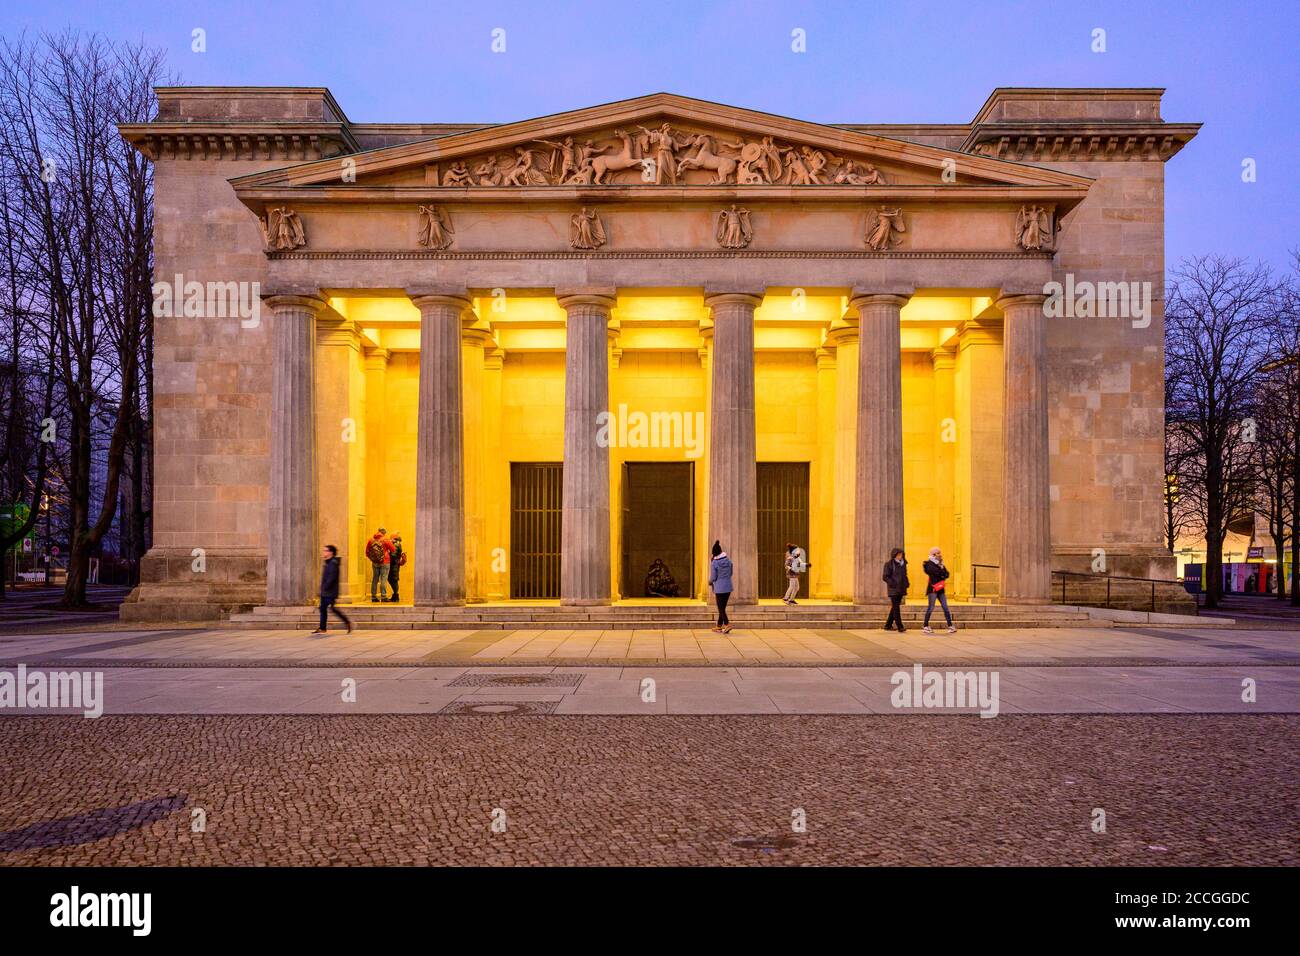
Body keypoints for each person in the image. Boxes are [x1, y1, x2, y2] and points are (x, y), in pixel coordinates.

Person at [312, 545, 352, 634]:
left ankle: (346, 622)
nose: (324, 552)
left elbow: (331, 578)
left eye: (326, 550)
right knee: (324, 608)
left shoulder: (333, 563)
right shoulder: (329, 562)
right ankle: (323, 628)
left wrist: (324, 588)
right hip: (327, 591)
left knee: (329, 609)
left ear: (331, 552)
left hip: (329, 592)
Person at [921, 546, 956, 634]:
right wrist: (942, 573)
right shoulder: (929, 564)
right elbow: (936, 573)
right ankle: (925, 626)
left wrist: (942, 571)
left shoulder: (940, 564)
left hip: (940, 589)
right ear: (934, 554)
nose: (940, 555)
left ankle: (950, 626)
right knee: (931, 607)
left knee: (945, 607)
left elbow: (947, 574)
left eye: (940, 553)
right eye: (938, 553)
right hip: (932, 589)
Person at [708, 540, 734, 633]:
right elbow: (731, 573)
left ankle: (727, 624)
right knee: (722, 607)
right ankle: (719, 626)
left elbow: (713, 577)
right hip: (728, 587)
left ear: (714, 553)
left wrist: (710, 582)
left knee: (721, 608)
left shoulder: (714, 563)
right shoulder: (728, 561)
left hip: (719, 588)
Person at [881, 547, 909, 632]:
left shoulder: (903, 564)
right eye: (899, 555)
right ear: (894, 555)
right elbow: (885, 577)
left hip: (901, 588)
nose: (900, 556)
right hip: (893, 589)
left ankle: (888, 625)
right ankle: (900, 626)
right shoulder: (889, 564)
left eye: (901, 554)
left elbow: (904, 575)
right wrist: (892, 583)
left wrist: (906, 583)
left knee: (895, 607)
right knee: (896, 607)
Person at [366, 527, 394, 602]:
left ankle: (373, 597)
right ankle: (383, 596)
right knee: (383, 579)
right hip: (385, 562)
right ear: (384, 533)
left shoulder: (371, 540)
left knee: (375, 579)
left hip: (375, 563)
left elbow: (367, 552)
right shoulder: (385, 539)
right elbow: (393, 549)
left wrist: (373, 559)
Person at [387, 532, 404, 602]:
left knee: (393, 579)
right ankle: (395, 595)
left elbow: (393, 555)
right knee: (393, 579)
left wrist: (388, 554)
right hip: (395, 563)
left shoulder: (396, 544)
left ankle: (396, 595)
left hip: (394, 564)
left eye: (391, 538)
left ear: (394, 538)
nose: (390, 540)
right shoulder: (397, 544)